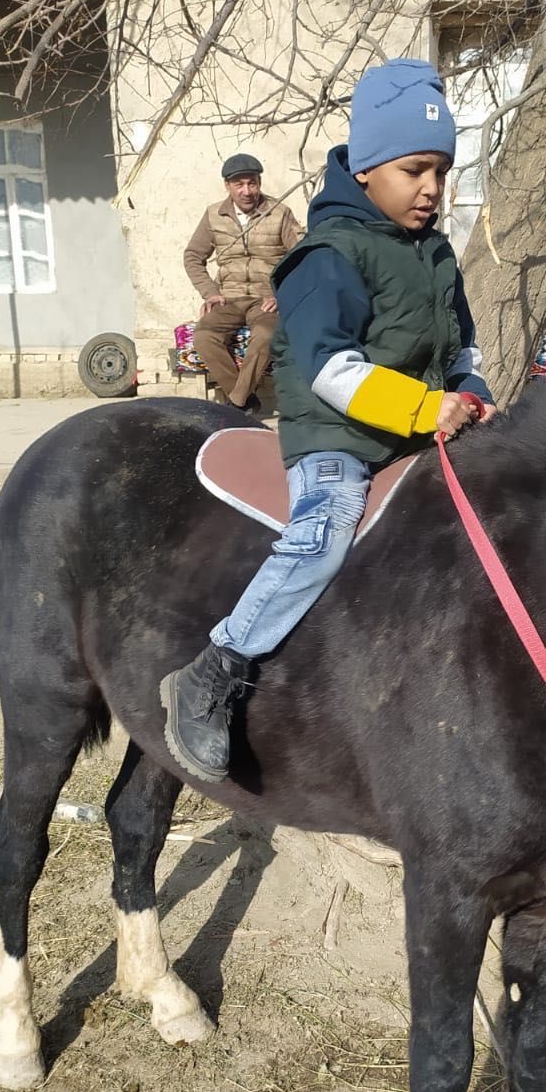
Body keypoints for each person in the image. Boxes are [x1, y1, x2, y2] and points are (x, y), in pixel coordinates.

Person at [161, 59, 497, 783]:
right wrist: (420, 405)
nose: (432, 188)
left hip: (415, 427)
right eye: (415, 169)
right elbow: (329, 368)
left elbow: (461, 340)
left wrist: (471, 386)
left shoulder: (435, 252)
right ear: (369, 168)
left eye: (441, 170)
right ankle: (216, 668)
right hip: (336, 433)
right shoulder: (327, 255)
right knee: (324, 530)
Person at [183, 154, 303, 411]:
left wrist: (282, 295)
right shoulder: (214, 215)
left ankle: (236, 405)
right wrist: (209, 293)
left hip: (265, 299)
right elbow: (193, 256)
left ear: (259, 182)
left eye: (252, 183)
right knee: (203, 336)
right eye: (239, 185)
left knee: (266, 336)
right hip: (229, 297)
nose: (247, 191)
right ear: (227, 186)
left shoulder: (279, 213)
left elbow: (301, 258)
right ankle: (246, 398)